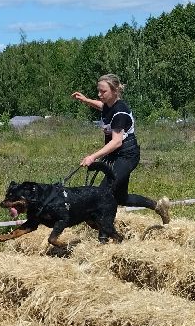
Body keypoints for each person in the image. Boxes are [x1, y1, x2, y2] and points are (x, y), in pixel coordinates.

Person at [71, 74, 170, 224]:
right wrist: (85, 100)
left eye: (103, 91)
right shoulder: (108, 105)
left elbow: (116, 142)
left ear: (115, 90)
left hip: (127, 156)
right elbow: (101, 106)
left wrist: (93, 156)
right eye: (98, 91)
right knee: (121, 198)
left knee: (103, 193)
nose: (99, 94)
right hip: (117, 156)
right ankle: (157, 206)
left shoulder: (120, 112)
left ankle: (105, 230)